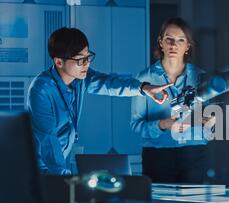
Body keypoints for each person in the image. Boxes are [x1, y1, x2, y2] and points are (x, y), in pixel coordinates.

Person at [27, 27, 172, 175]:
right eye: (80, 59)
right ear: (59, 62)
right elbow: (48, 140)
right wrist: (63, 179)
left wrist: (143, 88)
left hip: (57, 168)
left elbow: (109, 83)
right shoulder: (41, 90)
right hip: (36, 168)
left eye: (88, 56)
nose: (87, 63)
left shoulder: (80, 79)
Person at [131, 17, 215, 183]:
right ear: (160, 42)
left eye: (180, 40)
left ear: (187, 46)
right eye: (169, 39)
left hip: (194, 153)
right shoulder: (143, 79)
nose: (174, 45)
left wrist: (210, 124)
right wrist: (163, 125)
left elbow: (209, 122)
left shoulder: (202, 78)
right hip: (157, 156)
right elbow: (136, 125)